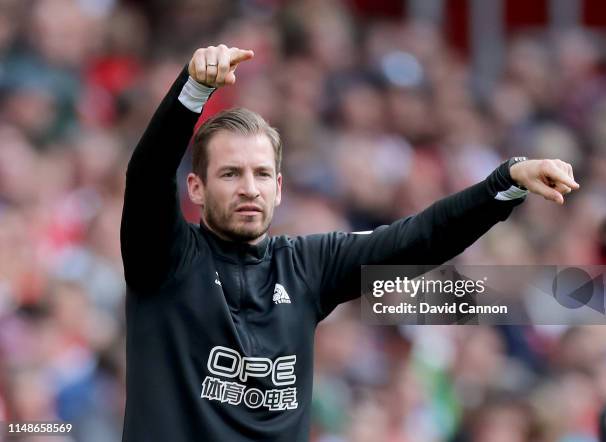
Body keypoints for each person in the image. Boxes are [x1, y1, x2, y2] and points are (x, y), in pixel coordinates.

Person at [119, 44, 580, 442]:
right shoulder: (166, 258)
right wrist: (194, 91)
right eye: (230, 173)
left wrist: (505, 183)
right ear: (195, 188)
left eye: (261, 174)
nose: (249, 188)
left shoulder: (305, 265)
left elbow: (419, 239)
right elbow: (147, 176)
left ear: (279, 188)